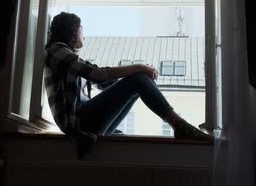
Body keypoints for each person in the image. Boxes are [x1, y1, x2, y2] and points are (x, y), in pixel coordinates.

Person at [44, 12, 211, 157]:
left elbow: (107, 83)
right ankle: (180, 126)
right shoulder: (56, 51)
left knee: (138, 80)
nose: (84, 35)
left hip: (85, 122)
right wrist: (139, 68)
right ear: (72, 32)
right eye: (82, 29)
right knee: (138, 78)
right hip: (80, 125)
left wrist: (138, 80)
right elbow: (97, 75)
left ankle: (179, 126)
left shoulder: (67, 56)